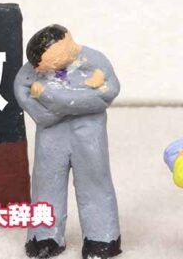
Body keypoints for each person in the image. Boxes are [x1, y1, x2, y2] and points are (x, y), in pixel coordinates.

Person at [14, 24, 121, 259]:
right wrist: (56, 109)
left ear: (67, 41)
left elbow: (106, 94)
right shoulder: (33, 69)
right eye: (44, 66)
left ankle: (101, 237)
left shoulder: (94, 61)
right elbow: (27, 97)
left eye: (54, 60)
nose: (45, 69)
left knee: (94, 180)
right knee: (46, 182)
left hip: (89, 134)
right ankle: (44, 236)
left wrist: (50, 97)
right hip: (51, 135)